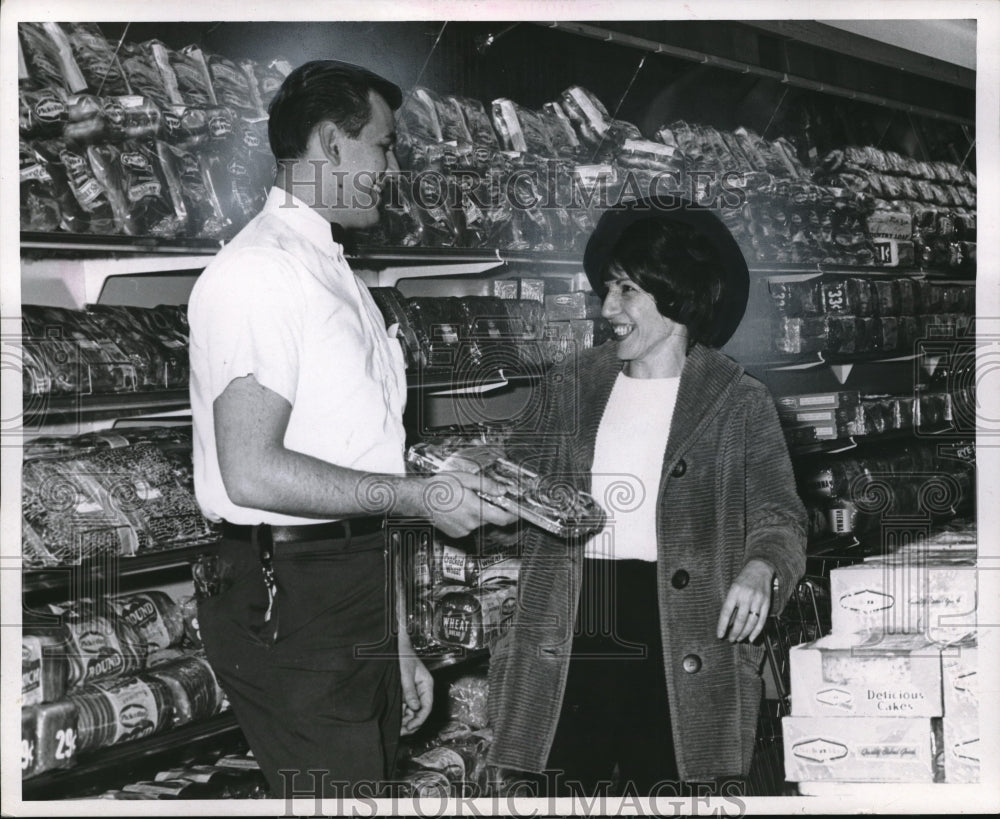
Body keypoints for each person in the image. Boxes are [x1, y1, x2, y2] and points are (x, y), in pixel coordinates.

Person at [187, 60, 516, 799]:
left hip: (346, 584)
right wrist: (420, 497)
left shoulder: (332, 271)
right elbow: (253, 471)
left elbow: (358, 469)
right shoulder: (260, 274)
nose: (392, 169)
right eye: (385, 147)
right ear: (331, 144)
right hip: (293, 599)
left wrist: (396, 641)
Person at [486, 195, 807, 796]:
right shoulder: (569, 385)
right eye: (607, 290)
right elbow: (513, 484)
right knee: (557, 792)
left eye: (628, 290)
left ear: (676, 297)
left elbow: (780, 515)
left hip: (684, 631)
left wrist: (763, 567)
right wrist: (482, 492)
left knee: (672, 788)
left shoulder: (739, 401)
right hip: (574, 617)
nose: (607, 307)